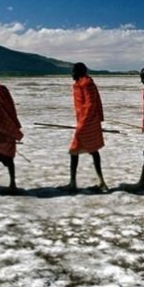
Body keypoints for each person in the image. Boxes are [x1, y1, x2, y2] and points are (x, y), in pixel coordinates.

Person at [62, 62, 107, 191]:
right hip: (85, 122)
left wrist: (83, 124)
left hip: (88, 122)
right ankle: (100, 182)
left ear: (79, 72)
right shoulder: (80, 84)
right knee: (92, 150)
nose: (71, 74)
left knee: (75, 151)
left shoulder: (86, 84)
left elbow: (90, 104)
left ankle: (73, 183)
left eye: (73, 71)